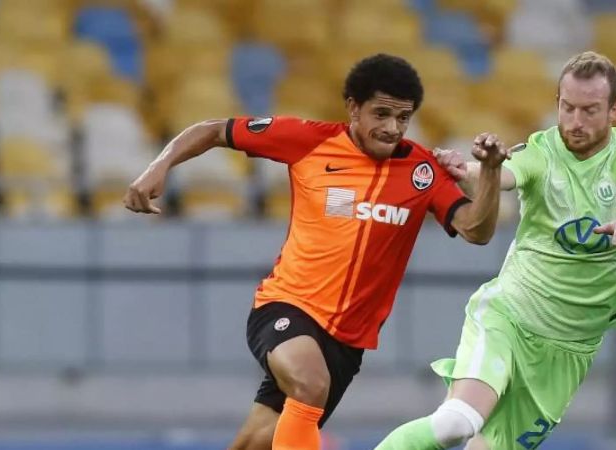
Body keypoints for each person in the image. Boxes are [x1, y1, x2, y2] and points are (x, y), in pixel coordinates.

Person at [123, 53, 514, 450]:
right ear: (353, 108)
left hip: (347, 341)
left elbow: (476, 231)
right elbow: (212, 131)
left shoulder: (422, 171)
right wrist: (159, 166)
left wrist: (492, 173)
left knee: (257, 441)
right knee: (311, 385)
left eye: (403, 118)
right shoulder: (310, 141)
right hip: (287, 306)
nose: (391, 128)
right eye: (380, 114)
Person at [375, 51, 616, 449]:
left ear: (614, 110)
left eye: (590, 110)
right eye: (567, 108)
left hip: (569, 351)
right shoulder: (542, 151)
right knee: (456, 424)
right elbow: (507, 173)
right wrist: (474, 170)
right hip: (509, 319)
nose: (575, 122)